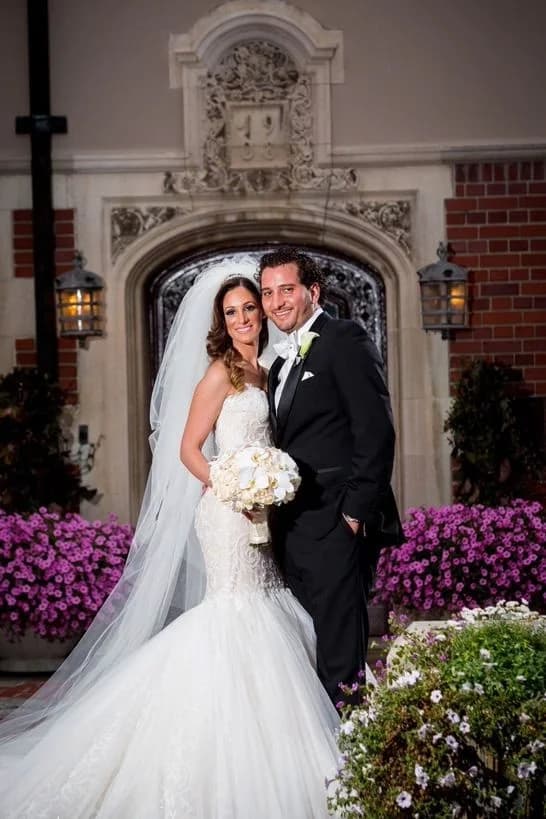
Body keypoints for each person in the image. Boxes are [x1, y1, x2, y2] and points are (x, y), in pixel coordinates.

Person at [0, 261, 340, 818]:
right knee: (234, 613)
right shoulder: (219, 374)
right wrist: (230, 485)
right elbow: (185, 449)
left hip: (264, 514)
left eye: (250, 308)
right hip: (228, 514)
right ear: (221, 321)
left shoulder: (271, 369)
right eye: (231, 313)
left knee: (265, 608)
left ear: (262, 311)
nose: (243, 319)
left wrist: (271, 487)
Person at [259, 247, 403, 704]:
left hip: (338, 523)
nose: (276, 302)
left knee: (341, 661)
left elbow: (376, 431)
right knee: (306, 653)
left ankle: (350, 764)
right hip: (293, 530)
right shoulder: (277, 363)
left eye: (286, 289)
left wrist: (355, 516)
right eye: (267, 292)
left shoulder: (345, 339)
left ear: (312, 291)